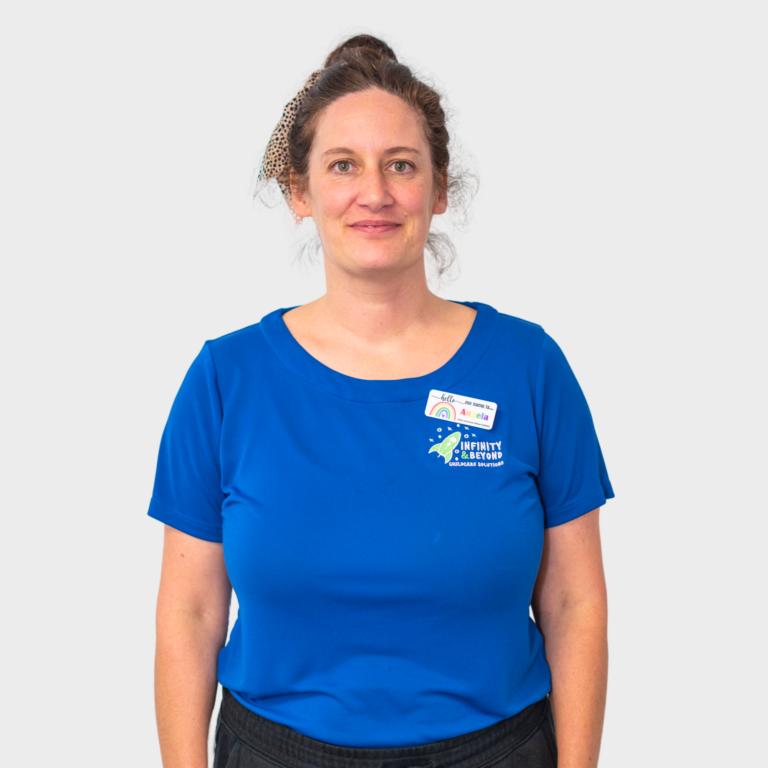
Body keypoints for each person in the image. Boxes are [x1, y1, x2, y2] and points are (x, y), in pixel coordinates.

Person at [148, 34, 615, 768]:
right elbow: (191, 613)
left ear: (439, 189)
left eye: (402, 165)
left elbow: (573, 604)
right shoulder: (225, 379)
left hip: (497, 750)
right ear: (301, 192)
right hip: (276, 752)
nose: (376, 193)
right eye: (343, 166)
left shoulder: (529, 368)